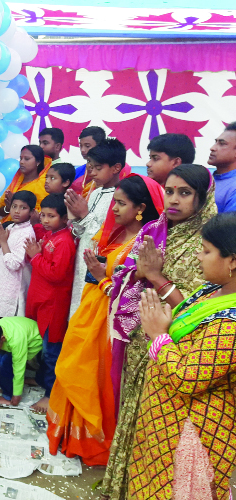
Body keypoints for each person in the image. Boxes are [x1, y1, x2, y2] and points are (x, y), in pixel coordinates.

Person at [101, 164, 217, 500]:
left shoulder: (208, 243)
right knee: (130, 414)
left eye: (185, 193)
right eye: (169, 191)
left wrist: (154, 276)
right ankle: (120, 487)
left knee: (154, 429)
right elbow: (129, 276)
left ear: (203, 197)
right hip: (139, 339)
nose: (174, 200)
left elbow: (197, 311)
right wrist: (132, 275)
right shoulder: (154, 227)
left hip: (175, 350)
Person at [46, 175, 164, 466]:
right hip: (91, 308)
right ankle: (67, 435)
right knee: (73, 368)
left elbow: (132, 293)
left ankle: (90, 441)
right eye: (114, 202)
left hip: (109, 320)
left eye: (121, 204)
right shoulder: (116, 235)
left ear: (140, 208)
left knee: (90, 375)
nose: (114, 209)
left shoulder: (143, 243)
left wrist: (102, 278)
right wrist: (99, 275)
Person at [128, 213, 236, 499]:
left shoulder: (231, 324)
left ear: (232, 261)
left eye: (206, 251)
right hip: (164, 424)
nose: (198, 256)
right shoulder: (213, 289)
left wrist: (158, 335)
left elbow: (188, 377)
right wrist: (166, 321)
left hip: (192, 430)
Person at [24, 194, 77, 413]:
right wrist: (34, 254)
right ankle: (42, 380)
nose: (45, 220)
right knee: (44, 348)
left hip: (53, 304)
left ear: (65, 219)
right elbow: (36, 259)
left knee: (51, 350)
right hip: (42, 299)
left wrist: (35, 257)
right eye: (43, 215)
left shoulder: (64, 241)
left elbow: (55, 274)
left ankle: (50, 394)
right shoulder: (50, 235)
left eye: (51, 216)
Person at [65, 138, 126, 317]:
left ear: (116, 168)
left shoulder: (120, 197)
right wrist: (74, 217)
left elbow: (109, 235)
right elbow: (82, 232)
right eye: (90, 167)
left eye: (98, 168)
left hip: (100, 264)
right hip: (82, 259)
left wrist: (84, 214)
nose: (92, 173)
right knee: (77, 307)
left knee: (90, 313)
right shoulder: (95, 192)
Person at [0, 190, 36, 319]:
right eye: (14, 206)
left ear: (32, 212)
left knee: (9, 328)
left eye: (23, 208)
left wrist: (3, 242)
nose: (17, 211)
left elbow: (14, 264)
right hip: (3, 284)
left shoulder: (27, 233)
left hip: (13, 290)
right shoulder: (11, 227)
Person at [0, 318, 41, 407]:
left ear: (2, 338)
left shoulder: (17, 340)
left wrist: (17, 394)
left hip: (34, 342)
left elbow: (18, 368)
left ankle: (8, 396)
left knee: (5, 363)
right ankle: (8, 385)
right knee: (1, 358)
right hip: (21, 335)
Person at [207, 122, 236, 213]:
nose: (212, 148)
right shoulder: (204, 176)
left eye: (222, 144)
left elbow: (229, 226)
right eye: (216, 142)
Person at [71, 126, 106, 194]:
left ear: (100, 145)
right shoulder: (77, 172)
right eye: (81, 146)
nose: (82, 150)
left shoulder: (112, 170)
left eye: (87, 146)